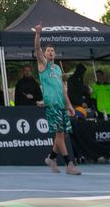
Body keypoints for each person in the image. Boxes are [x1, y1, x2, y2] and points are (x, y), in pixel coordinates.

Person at [33, 26, 80, 175]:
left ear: (55, 53)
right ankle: (69, 164)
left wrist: (70, 106)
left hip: (61, 105)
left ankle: (51, 158)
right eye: (48, 51)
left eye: (52, 50)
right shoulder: (43, 65)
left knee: (61, 135)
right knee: (59, 134)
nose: (50, 52)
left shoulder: (58, 70)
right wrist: (38, 34)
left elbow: (63, 90)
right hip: (52, 104)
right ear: (45, 54)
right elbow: (37, 48)